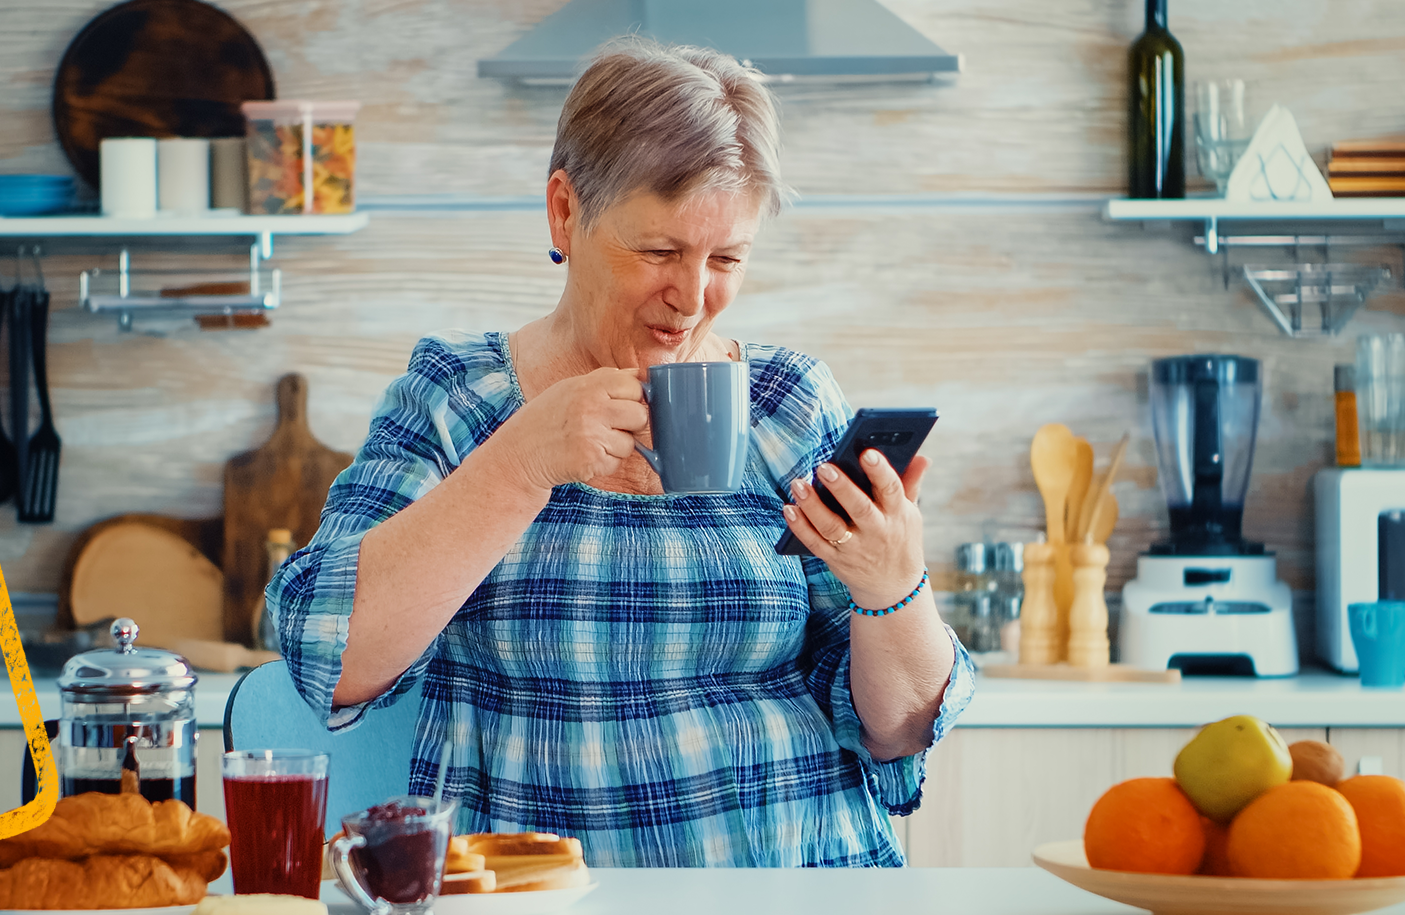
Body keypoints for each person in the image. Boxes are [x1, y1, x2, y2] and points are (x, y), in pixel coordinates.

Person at [269, 38, 974, 867]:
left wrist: (893, 586)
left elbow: (895, 732)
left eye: (728, 259)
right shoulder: (459, 400)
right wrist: (522, 460)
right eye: (660, 251)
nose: (692, 294)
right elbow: (328, 650)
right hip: (547, 888)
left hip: (802, 878)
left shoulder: (790, 403)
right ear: (564, 212)